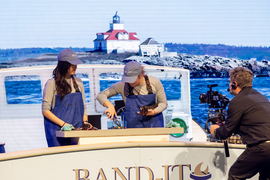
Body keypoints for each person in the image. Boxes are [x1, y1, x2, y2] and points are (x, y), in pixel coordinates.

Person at [210, 67, 270, 180]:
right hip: (267, 145)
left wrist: (215, 130)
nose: (228, 85)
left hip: (261, 148)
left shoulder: (237, 101)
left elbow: (225, 133)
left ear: (234, 84)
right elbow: (253, 124)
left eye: (229, 82)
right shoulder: (261, 98)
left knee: (235, 174)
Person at [42, 48, 92, 147]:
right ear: (64, 65)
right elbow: (45, 110)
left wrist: (85, 122)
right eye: (72, 65)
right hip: (57, 133)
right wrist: (64, 124)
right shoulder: (51, 83)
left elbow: (83, 106)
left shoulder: (79, 83)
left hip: (76, 132)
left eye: (76, 65)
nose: (75, 67)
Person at [97, 61, 167, 128]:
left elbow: (163, 103)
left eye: (132, 79)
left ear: (140, 75)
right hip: (132, 128)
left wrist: (154, 111)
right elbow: (101, 95)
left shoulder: (154, 82)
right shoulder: (123, 85)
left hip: (154, 126)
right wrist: (110, 106)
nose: (129, 82)